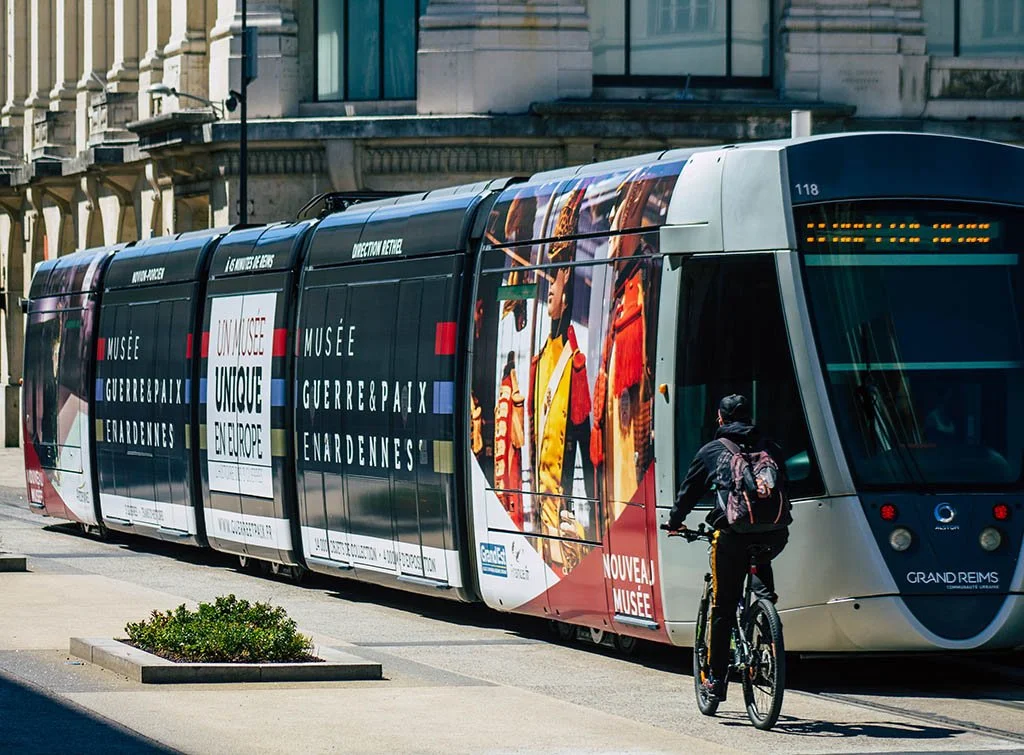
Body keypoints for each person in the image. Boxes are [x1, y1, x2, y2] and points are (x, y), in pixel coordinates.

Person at [663, 394, 790, 703]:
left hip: (732, 536)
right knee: (760, 570)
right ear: (750, 417)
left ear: (720, 419)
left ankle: (716, 680)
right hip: (774, 534)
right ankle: (765, 617)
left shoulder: (713, 451)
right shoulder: (771, 447)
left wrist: (675, 522)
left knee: (722, 606)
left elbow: (689, 492)